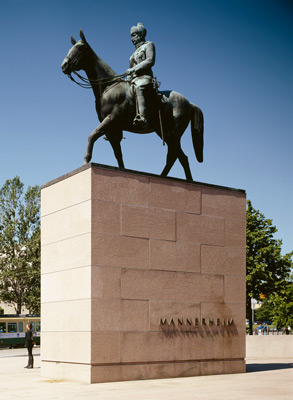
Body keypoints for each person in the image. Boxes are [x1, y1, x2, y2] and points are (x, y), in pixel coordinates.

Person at [125, 22, 156, 129]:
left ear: (141, 35)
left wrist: (134, 69)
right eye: (131, 36)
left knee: (139, 87)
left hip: (144, 78)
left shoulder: (149, 45)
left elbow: (150, 60)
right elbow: (130, 72)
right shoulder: (132, 55)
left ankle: (143, 117)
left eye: (134, 35)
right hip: (133, 80)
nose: (132, 39)